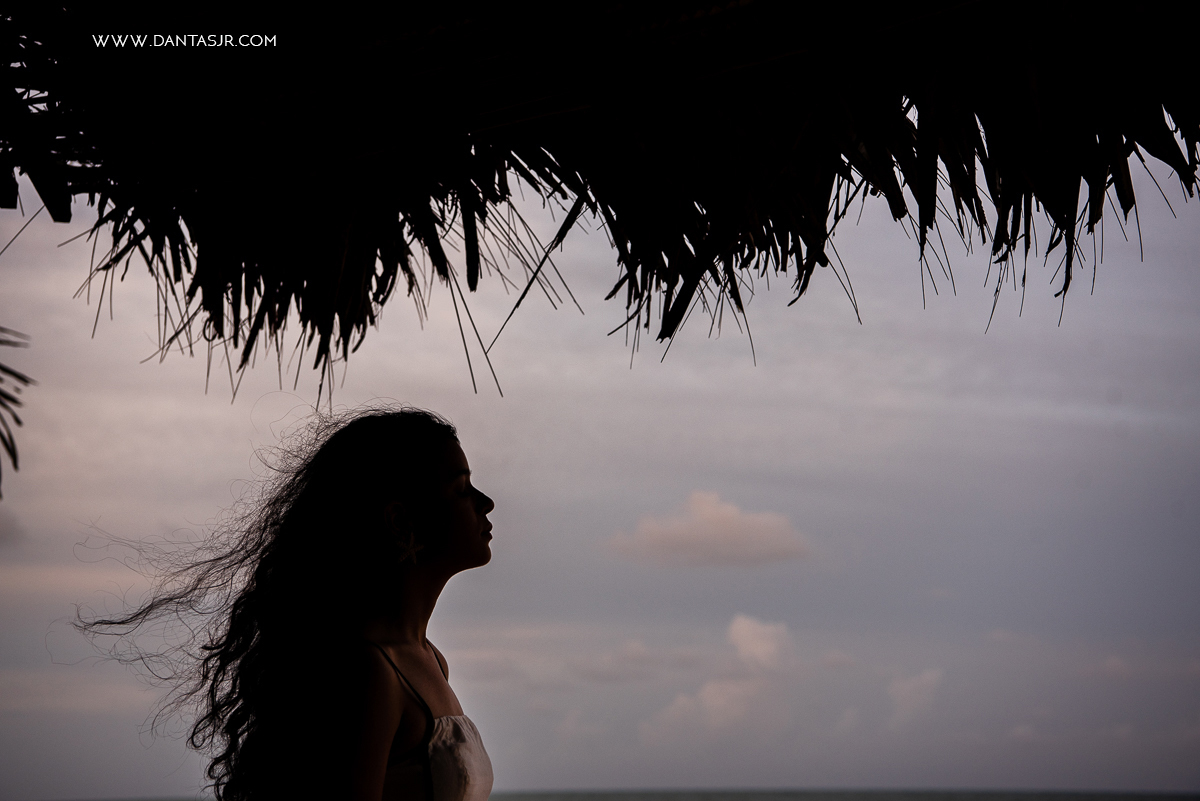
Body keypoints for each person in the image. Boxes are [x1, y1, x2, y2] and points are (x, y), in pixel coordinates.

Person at [78, 407, 496, 801]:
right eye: (461, 489)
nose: (485, 501)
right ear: (401, 521)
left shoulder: (429, 660)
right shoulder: (369, 669)